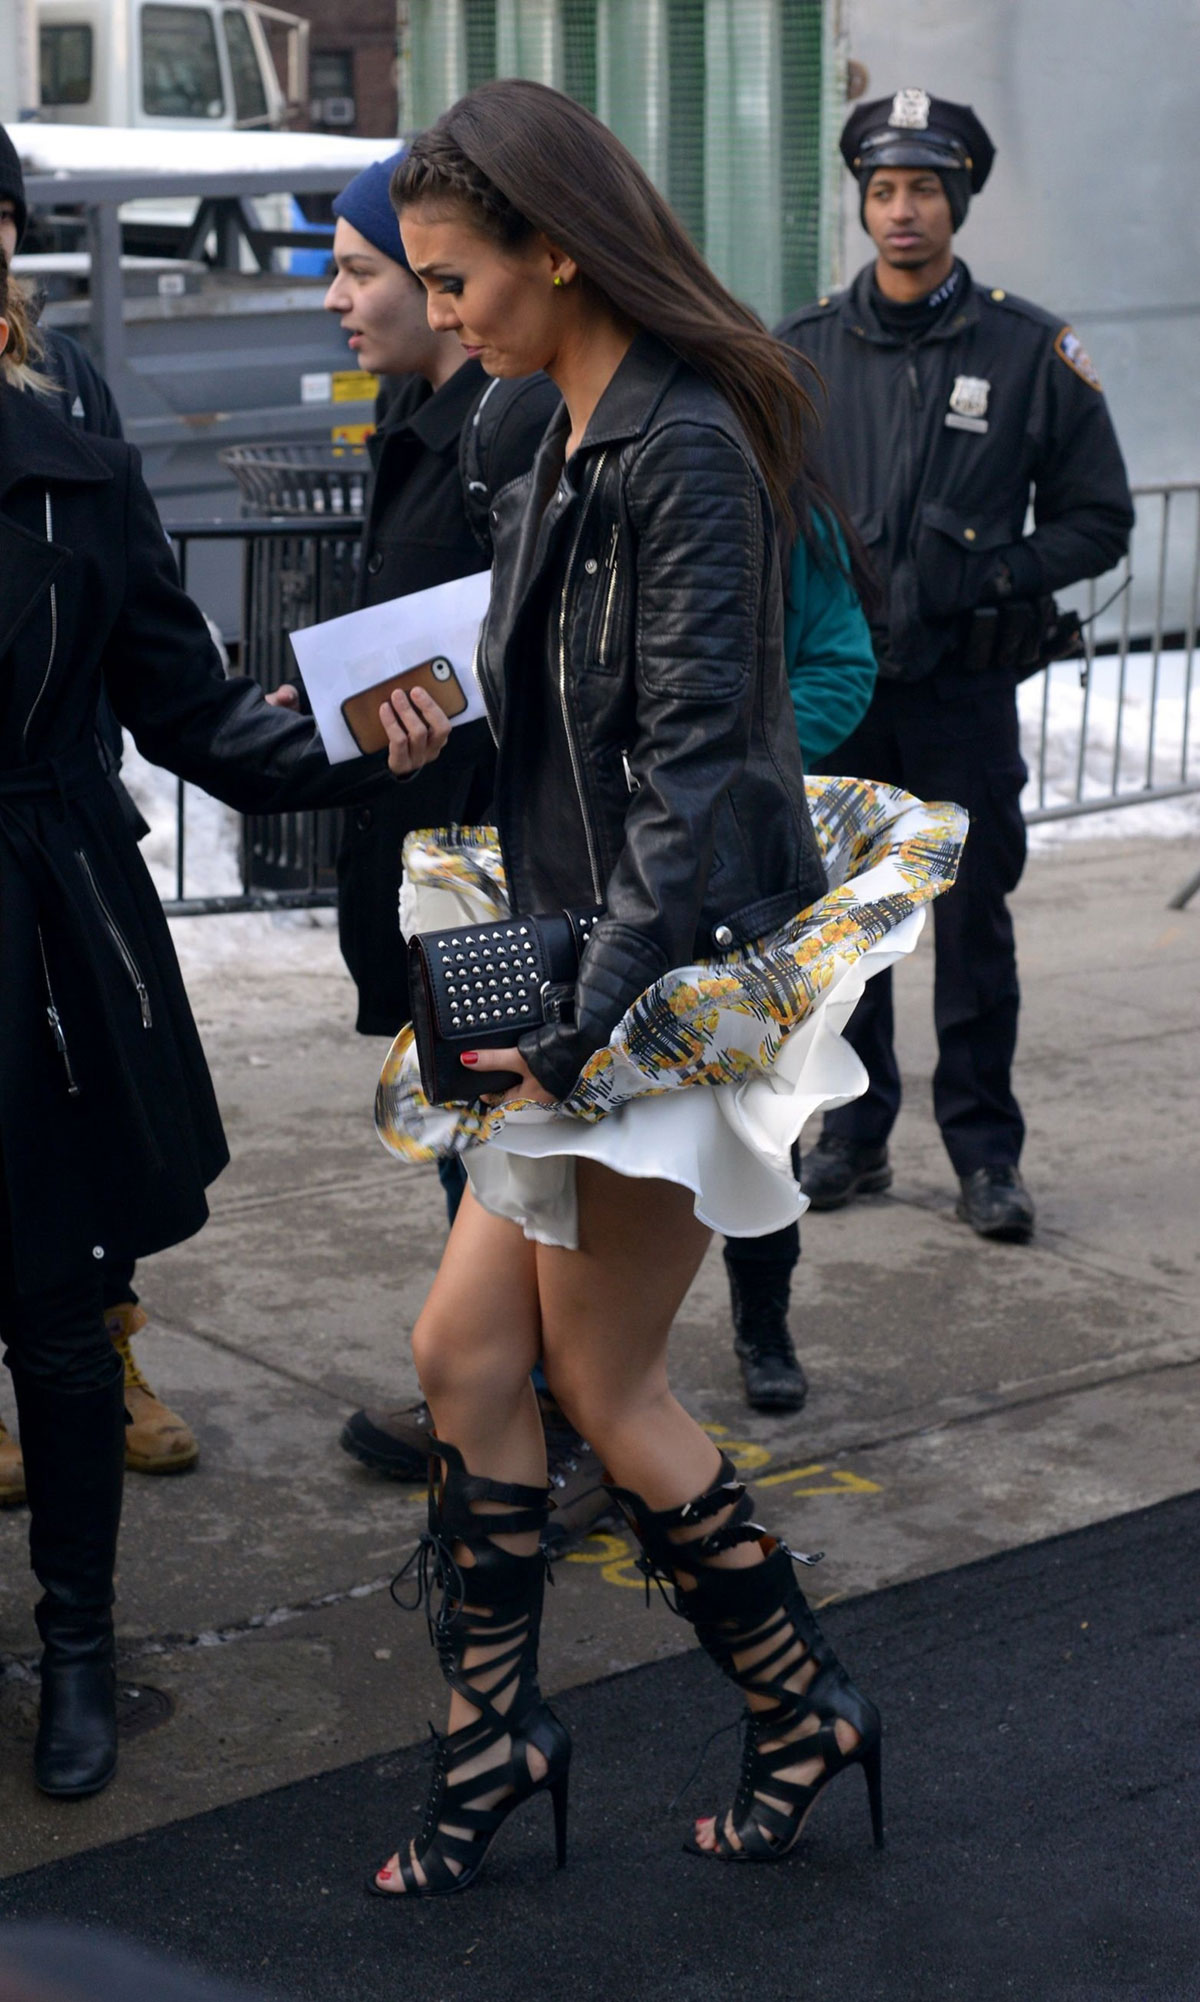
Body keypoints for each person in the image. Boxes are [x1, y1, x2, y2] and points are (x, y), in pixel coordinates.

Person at [361, 78, 965, 1898]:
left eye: (456, 276)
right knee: (466, 1354)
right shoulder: (562, 430)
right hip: (587, 961)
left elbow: (698, 772)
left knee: (601, 1383)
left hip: (656, 987)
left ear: (557, 247)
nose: (441, 310)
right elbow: (572, 721)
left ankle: (801, 1708)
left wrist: (572, 1019)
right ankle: (504, 1735)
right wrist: (412, 731)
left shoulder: (683, 443)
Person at [0, 245, 448, 1799]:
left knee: (54, 1314)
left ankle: (76, 1650)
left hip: (39, 939)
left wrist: (361, 746)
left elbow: (192, 709)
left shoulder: (75, 471)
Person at [266, 156, 607, 1549]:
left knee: (520, 1151)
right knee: (477, 1143)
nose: (340, 299)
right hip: (423, 844)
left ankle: (557, 1414)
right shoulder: (421, 416)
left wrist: (431, 699)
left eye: (367, 272)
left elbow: (545, 649)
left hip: (495, 861)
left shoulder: (514, 421)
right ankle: (497, 1392)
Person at [777, 89, 1134, 1242]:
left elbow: (1100, 520)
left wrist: (980, 572)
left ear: (959, 201)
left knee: (974, 928)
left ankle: (986, 1154)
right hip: (842, 695)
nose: (901, 212)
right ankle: (855, 1133)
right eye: (883, 190)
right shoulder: (805, 350)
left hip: (965, 698)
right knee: (851, 929)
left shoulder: (1029, 352)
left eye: (925, 189)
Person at [0, 124, 197, 1501]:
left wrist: (371, 742)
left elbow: (142, 631)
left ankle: (95, 1357)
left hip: (54, 853)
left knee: (68, 1189)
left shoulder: (67, 404)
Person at [721, 500, 876, 1411]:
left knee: (759, 1113)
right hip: (595, 862)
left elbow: (841, 668)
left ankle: (763, 1322)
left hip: (750, 869)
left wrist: (737, 774)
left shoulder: (787, 520)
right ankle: (592, 1369)